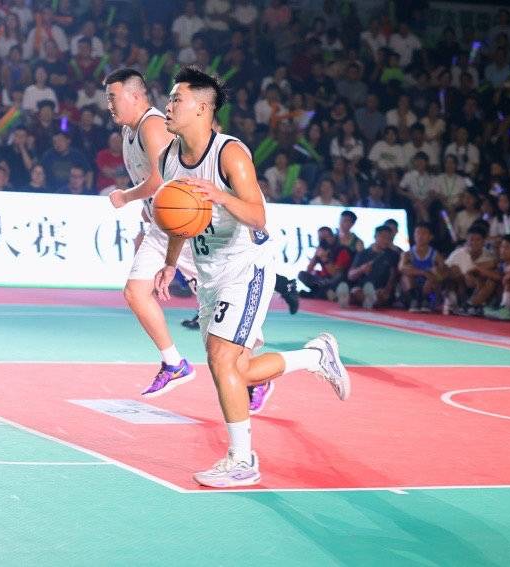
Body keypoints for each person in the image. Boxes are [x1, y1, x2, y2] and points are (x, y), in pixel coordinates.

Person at [154, 67, 349, 488]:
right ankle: (315, 357)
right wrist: (170, 263)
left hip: (247, 265)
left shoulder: (230, 154)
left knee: (221, 359)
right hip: (210, 272)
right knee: (237, 371)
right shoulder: (169, 157)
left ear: (202, 108)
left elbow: (258, 216)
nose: (167, 106)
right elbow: (179, 220)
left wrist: (220, 197)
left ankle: (242, 460)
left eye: (176, 99)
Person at [103, 68, 199, 398]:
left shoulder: (153, 125)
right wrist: (147, 208)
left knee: (218, 313)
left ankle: (262, 369)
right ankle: (174, 363)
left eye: (113, 97)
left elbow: (161, 179)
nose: (109, 105)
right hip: (162, 226)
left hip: (187, 227)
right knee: (135, 291)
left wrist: (126, 197)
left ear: (135, 96)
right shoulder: (130, 131)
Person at [399, 222, 444, 312]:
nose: (420, 236)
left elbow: (442, 275)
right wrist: (424, 273)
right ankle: (413, 300)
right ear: (414, 235)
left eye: (423, 233)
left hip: (431, 292)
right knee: (405, 276)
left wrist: (433, 275)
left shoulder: (436, 255)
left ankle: (427, 300)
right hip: (412, 289)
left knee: (434, 276)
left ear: (430, 237)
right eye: (418, 233)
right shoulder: (407, 254)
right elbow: (401, 269)